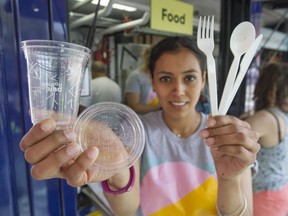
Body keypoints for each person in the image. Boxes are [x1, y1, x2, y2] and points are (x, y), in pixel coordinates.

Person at [19, 36, 260, 216]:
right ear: (152, 82)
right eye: (166, 78)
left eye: (189, 78)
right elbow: (127, 210)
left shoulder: (227, 137)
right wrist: (116, 170)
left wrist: (229, 180)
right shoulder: (136, 130)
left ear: (204, 80)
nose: (178, 90)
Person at [242, 63, 288, 216]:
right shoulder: (282, 116)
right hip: (280, 188)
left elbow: (235, 135)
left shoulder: (266, 117)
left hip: (264, 193)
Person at [124, 46, 160, 114]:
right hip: (141, 122)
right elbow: (134, 106)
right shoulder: (136, 77)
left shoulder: (160, 75)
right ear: (147, 58)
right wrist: (159, 106)